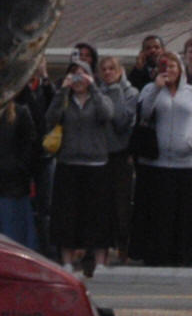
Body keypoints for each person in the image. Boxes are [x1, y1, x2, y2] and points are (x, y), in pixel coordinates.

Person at [48, 51, 138, 273]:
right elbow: (50, 118)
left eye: (82, 74)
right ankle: (67, 261)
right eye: (74, 74)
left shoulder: (100, 97)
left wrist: (94, 88)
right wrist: (63, 91)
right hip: (69, 163)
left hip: (96, 164)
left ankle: (100, 262)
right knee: (67, 215)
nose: (78, 79)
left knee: (98, 216)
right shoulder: (64, 98)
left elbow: (107, 114)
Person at [130, 51, 192, 266]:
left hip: (187, 162)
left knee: (186, 211)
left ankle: (187, 255)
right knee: (160, 212)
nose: (168, 71)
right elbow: (144, 115)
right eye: (164, 67)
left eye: (172, 66)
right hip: (156, 162)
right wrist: (156, 88)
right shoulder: (150, 89)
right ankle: (157, 255)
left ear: (180, 69)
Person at [0, 71, 50, 254]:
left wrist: (19, 169)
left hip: (13, 185)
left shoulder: (21, 113)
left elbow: (30, 146)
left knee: (14, 232)